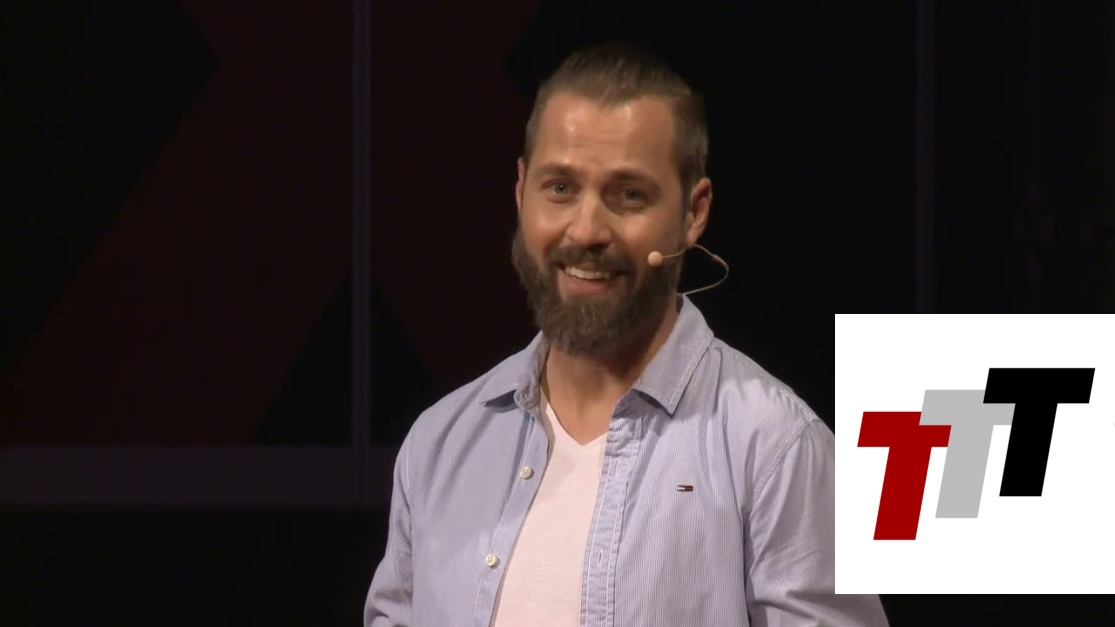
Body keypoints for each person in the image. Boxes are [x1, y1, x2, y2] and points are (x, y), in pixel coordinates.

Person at [365, 42, 889, 626]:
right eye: (560, 188)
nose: (586, 230)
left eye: (629, 195)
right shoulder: (439, 444)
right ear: (520, 192)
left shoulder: (774, 448)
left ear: (693, 212)